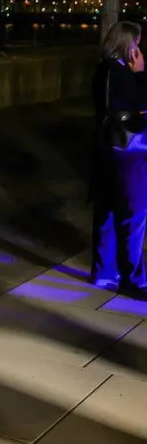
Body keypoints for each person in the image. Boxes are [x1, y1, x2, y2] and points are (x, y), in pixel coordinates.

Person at [89, 20, 147, 294]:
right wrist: (140, 73)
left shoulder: (104, 71)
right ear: (128, 45)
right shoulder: (122, 73)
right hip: (130, 150)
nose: (139, 48)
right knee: (135, 214)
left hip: (109, 149)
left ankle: (104, 273)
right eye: (136, 43)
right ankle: (134, 279)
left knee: (109, 210)